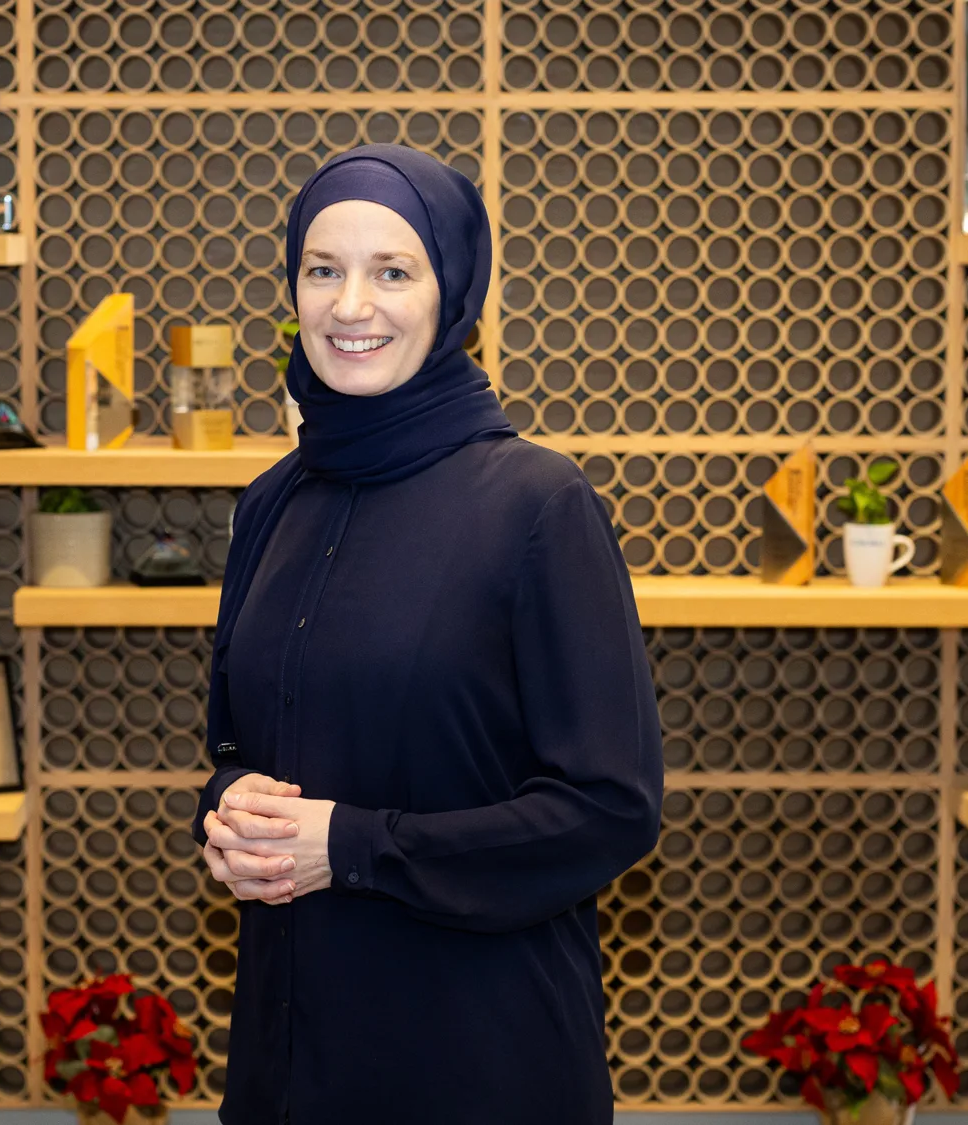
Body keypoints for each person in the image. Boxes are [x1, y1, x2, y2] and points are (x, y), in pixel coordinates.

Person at [192, 144, 662, 1125]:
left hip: (477, 1058)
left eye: (391, 272)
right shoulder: (270, 504)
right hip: (289, 1058)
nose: (349, 305)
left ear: (453, 297)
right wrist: (229, 802)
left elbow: (611, 808)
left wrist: (352, 846)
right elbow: (233, 741)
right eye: (322, 269)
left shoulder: (536, 505)